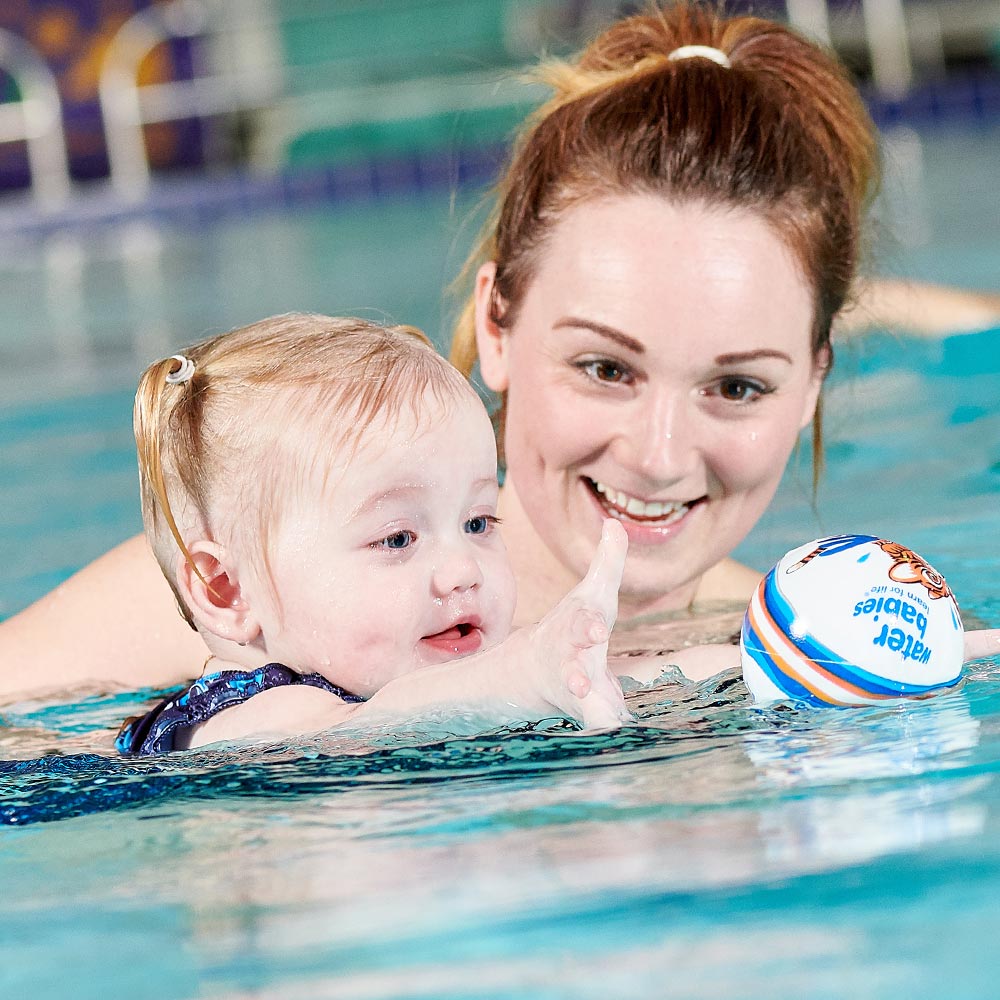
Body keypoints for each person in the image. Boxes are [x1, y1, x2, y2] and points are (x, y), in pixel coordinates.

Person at [1, 2, 996, 701]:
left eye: (736, 385)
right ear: (495, 329)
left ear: (815, 383)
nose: (658, 456)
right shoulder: (269, 583)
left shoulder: (803, 646)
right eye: (606, 368)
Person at [114, 313, 632, 753]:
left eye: (477, 523)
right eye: (397, 539)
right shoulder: (249, 718)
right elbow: (362, 729)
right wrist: (522, 674)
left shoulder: (370, 672)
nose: (463, 571)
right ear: (225, 590)